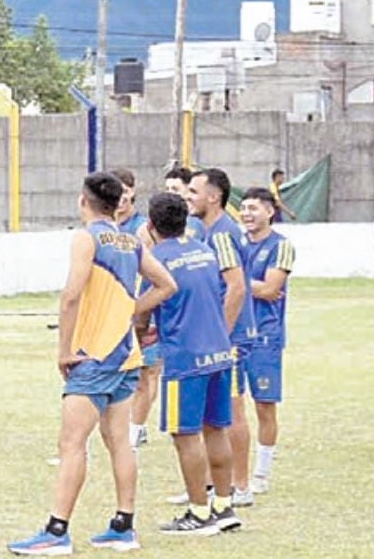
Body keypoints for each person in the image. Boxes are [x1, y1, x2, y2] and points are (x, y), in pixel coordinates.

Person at [8, 172, 176, 556]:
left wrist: (64, 351)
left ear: (83, 201)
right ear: (118, 204)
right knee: (120, 442)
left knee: (71, 443)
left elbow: (71, 296)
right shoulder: (131, 241)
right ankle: (124, 525)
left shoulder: (87, 238)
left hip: (94, 355)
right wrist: (131, 310)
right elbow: (167, 284)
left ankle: (57, 531)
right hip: (125, 355)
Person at [139, 192, 241, 536]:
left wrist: (137, 333)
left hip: (184, 357)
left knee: (185, 435)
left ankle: (199, 512)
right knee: (216, 429)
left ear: (150, 225)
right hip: (220, 351)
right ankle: (224, 505)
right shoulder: (205, 251)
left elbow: (143, 313)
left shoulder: (154, 260)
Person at [187, 167, 255, 507]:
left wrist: (221, 335)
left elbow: (236, 287)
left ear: (213, 197)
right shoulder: (209, 231)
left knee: (232, 410)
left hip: (231, 340)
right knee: (213, 414)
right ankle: (214, 484)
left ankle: (240, 485)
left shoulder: (222, 234)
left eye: (193, 192)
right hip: (221, 337)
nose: (188, 198)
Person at [238, 187, 296, 494]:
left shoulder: (281, 246)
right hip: (235, 337)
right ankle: (229, 477)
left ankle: (261, 474)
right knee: (228, 408)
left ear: (270, 211)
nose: (246, 214)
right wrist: (252, 286)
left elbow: (271, 289)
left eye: (253, 208)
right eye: (243, 208)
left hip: (264, 337)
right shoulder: (235, 243)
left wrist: (234, 283)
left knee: (264, 406)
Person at [112, 168, 159, 450]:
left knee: (147, 371)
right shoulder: (102, 226)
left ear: (133, 191)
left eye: (125, 190)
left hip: (142, 308)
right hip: (113, 311)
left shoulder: (143, 228)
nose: (120, 197)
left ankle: (136, 428)